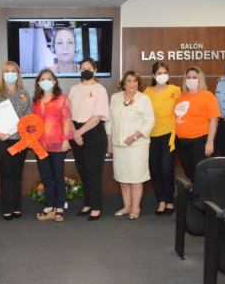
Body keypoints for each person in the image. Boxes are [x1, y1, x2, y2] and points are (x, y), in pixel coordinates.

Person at [106, 71, 154, 220]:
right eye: (129, 81)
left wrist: (134, 137)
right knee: (122, 177)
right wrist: (110, 142)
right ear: (124, 83)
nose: (132, 83)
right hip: (118, 145)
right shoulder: (115, 98)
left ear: (138, 83)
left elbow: (150, 122)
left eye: (135, 81)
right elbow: (109, 122)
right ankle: (126, 206)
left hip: (137, 146)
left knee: (135, 178)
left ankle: (135, 208)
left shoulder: (144, 99)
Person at [0, 61, 32, 221]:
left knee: (17, 173)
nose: (10, 73)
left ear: (18, 74)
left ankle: (17, 206)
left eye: (13, 71)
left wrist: (28, 136)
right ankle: (7, 207)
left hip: (20, 140)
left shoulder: (24, 93)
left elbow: (29, 117)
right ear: (2, 74)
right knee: (6, 173)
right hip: (3, 140)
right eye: (7, 71)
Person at [69, 57, 109, 221]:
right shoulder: (74, 89)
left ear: (95, 71)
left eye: (89, 68)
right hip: (76, 132)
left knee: (94, 171)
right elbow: (67, 114)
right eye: (82, 67)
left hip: (93, 132)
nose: (85, 70)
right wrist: (75, 132)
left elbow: (97, 115)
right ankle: (87, 202)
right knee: (83, 171)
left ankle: (96, 206)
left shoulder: (100, 89)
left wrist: (80, 132)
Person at [32, 69, 74, 222]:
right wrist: (31, 139)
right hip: (40, 144)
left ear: (55, 81)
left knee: (58, 174)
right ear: (38, 83)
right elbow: (33, 123)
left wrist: (66, 139)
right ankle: (49, 205)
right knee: (46, 175)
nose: (46, 81)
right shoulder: (36, 101)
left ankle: (60, 206)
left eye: (49, 79)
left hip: (58, 144)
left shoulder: (62, 99)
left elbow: (67, 120)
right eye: (42, 79)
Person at [144, 62, 180, 215]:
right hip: (151, 136)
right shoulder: (147, 92)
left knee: (167, 170)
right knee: (156, 170)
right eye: (159, 73)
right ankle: (161, 201)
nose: (162, 75)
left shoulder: (176, 90)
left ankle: (170, 200)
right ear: (153, 76)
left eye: (164, 72)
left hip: (169, 136)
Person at [174, 66, 220, 181]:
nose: (191, 79)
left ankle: (202, 198)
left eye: (194, 77)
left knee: (200, 175)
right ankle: (194, 197)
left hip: (200, 142)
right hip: (183, 143)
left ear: (200, 79)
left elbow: (214, 120)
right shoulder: (180, 96)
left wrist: (210, 142)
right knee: (189, 173)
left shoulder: (207, 95)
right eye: (188, 77)